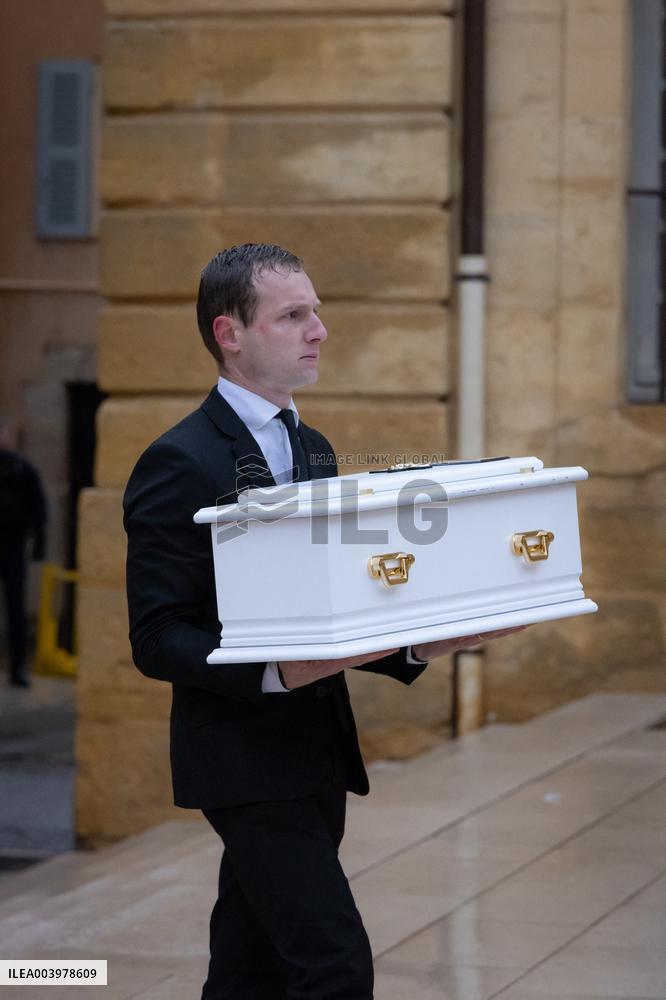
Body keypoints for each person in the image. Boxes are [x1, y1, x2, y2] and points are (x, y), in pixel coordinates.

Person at [123, 244, 523, 999]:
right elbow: (157, 636)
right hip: (241, 761)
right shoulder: (177, 459)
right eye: (294, 315)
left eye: (317, 310)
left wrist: (422, 642)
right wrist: (274, 670)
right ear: (230, 333)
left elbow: (330, 609)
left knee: (249, 971)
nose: (320, 330)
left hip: (316, 757)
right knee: (335, 964)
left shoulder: (313, 449)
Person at [0, 419, 47, 687]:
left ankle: (18, 667)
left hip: (13, 545)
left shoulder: (21, 467)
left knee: (16, 609)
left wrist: (39, 542)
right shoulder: (20, 467)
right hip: (13, 543)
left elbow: (38, 508)